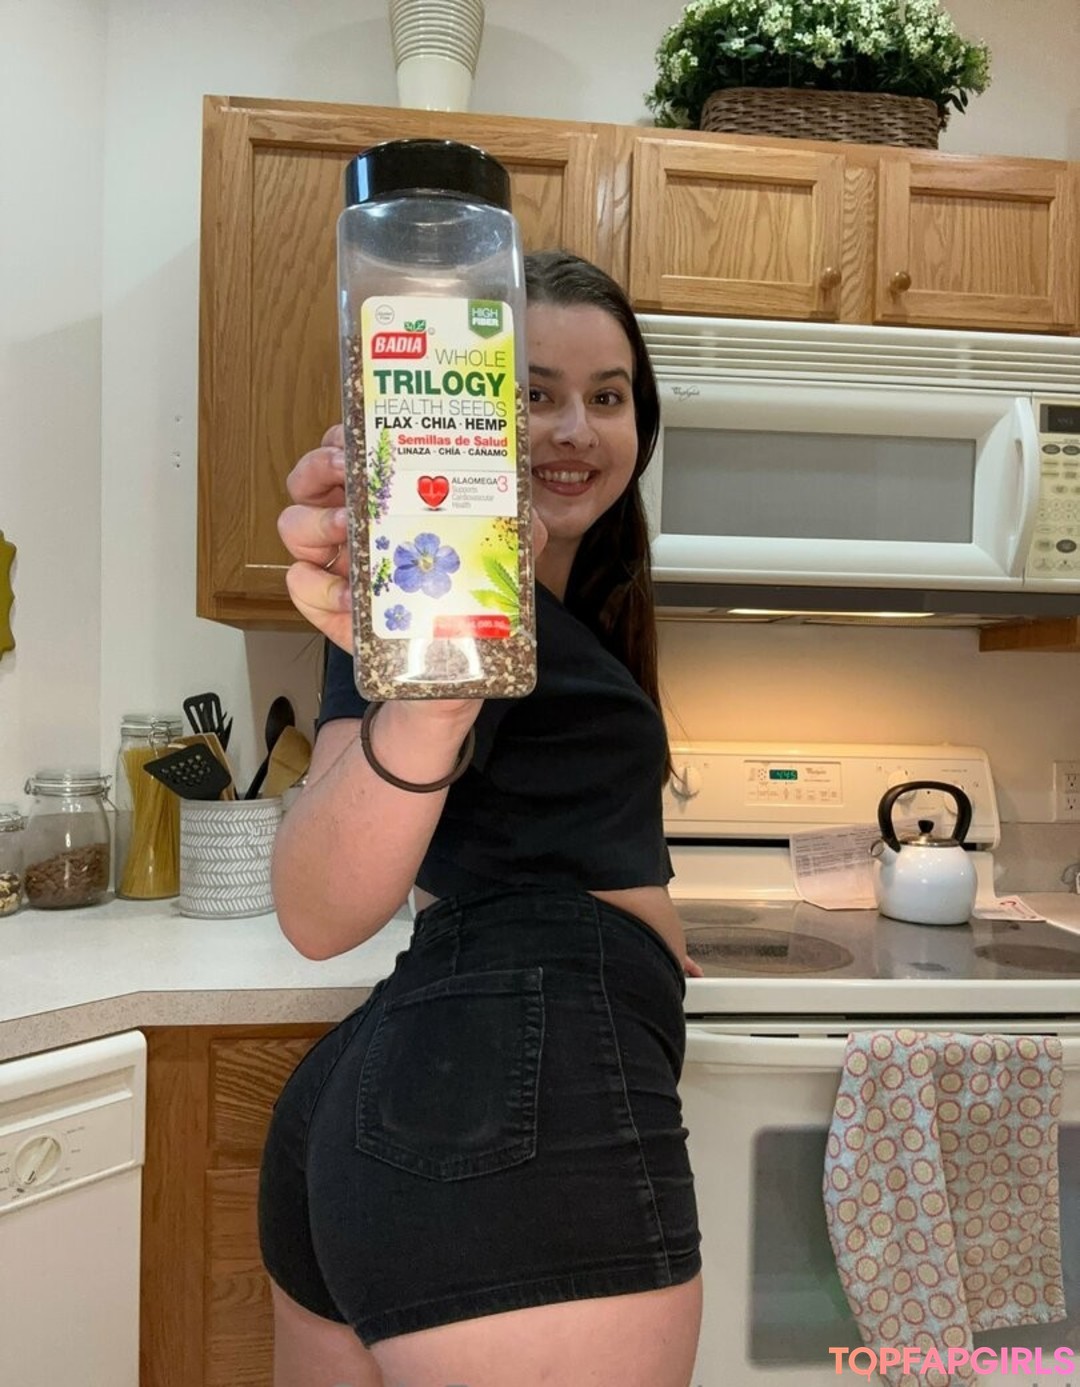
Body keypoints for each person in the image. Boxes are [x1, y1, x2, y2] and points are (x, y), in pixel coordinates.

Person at [260, 249, 704, 1387]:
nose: (576, 429)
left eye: (609, 395)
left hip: (455, 1081)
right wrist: (435, 704)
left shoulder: (561, 611)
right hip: (521, 1102)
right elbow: (318, 908)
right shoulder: (443, 605)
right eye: (534, 392)